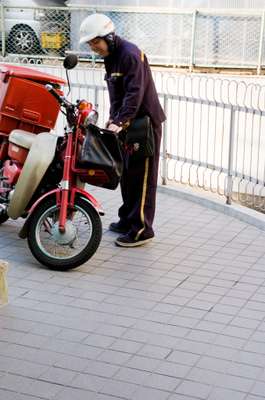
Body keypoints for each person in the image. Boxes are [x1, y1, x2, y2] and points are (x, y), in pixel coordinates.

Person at [79, 13, 166, 248]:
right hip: (127, 124)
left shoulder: (130, 54)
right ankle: (127, 219)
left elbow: (134, 93)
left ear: (108, 36)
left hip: (144, 125)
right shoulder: (111, 55)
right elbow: (117, 93)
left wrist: (121, 120)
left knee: (143, 178)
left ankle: (141, 229)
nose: (94, 48)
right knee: (127, 175)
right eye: (90, 44)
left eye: (96, 42)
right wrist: (112, 120)